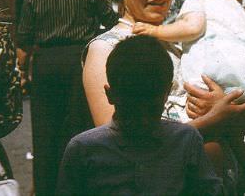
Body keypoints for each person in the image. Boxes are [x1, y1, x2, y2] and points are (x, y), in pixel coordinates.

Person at [83, 0, 245, 194]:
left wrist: (226, 104)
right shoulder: (105, 49)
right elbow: (117, 141)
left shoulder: (182, 40)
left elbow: (244, 112)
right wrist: (213, 120)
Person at [16, 0, 119, 196]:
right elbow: (112, 20)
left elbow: (24, 39)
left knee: (44, 132)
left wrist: (22, 71)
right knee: (78, 126)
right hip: (78, 62)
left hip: (45, 64)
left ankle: (46, 188)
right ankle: (77, 186)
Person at [56, 36, 223, 195]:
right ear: (166, 93)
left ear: (110, 94)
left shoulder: (83, 148)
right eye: (133, 107)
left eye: (150, 108)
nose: (142, 119)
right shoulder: (185, 140)